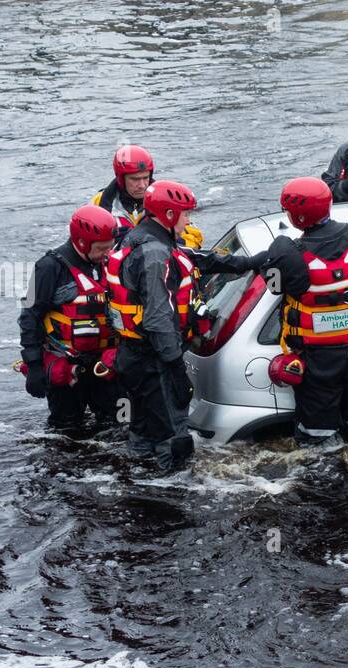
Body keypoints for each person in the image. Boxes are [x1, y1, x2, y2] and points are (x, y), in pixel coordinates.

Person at [106, 180, 257, 471]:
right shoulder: (155, 255)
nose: (189, 220)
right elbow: (158, 317)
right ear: (170, 215)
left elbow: (192, 258)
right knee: (173, 439)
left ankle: (136, 481)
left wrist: (245, 263)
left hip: (135, 356)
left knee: (143, 428)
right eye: (185, 214)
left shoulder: (143, 237)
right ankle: (172, 497)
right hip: (153, 361)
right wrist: (175, 364)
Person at [256, 177, 348, 447]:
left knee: (317, 441)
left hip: (319, 362)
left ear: (294, 216)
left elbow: (274, 286)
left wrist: (271, 256)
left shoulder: (289, 255)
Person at [17, 204, 123, 433]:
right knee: (66, 431)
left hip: (105, 364)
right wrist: (34, 365)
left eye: (110, 247)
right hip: (68, 367)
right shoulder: (48, 268)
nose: (108, 253)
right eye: (102, 248)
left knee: (119, 426)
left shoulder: (111, 263)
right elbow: (29, 316)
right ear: (82, 243)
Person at [92, 144, 205, 248]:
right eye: (134, 179)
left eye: (145, 178)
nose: (142, 185)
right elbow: (84, 244)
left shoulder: (167, 199)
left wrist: (161, 238)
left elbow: (196, 240)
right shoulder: (98, 203)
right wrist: (112, 242)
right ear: (121, 179)